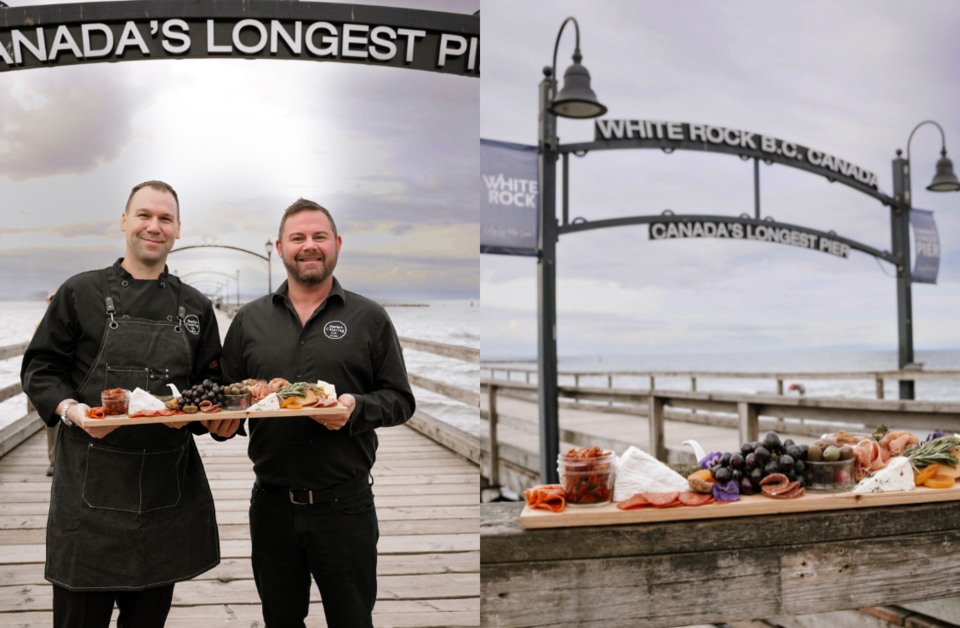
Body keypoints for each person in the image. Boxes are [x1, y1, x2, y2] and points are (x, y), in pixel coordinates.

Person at [20, 180, 240, 627]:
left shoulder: (196, 306)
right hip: (88, 498)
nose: (153, 226)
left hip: (165, 494)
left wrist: (207, 420)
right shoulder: (79, 293)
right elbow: (40, 369)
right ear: (124, 221)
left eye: (165, 218)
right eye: (144, 215)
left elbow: (210, 387)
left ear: (178, 229)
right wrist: (71, 410)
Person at [220, 199, 416, 628]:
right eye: (298, 238)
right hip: (270, 506)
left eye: (319, 236)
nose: (309, 246)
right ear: (279, 247)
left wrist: (355, 407)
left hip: (345, 506)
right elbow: (229, 400)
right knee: (280, 621)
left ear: (337, 244)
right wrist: (221, 427)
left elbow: (401, 399)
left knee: (352, 620)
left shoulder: (370, 318)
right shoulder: (249, 320)